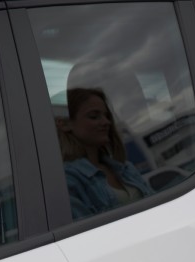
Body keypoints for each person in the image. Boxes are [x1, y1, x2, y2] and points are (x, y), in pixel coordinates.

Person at [57, 87, 153, 220]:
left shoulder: (125, 168)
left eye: (106, 116)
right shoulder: (68, 181)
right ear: (65, 124)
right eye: (94, 116)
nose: (106, 122)